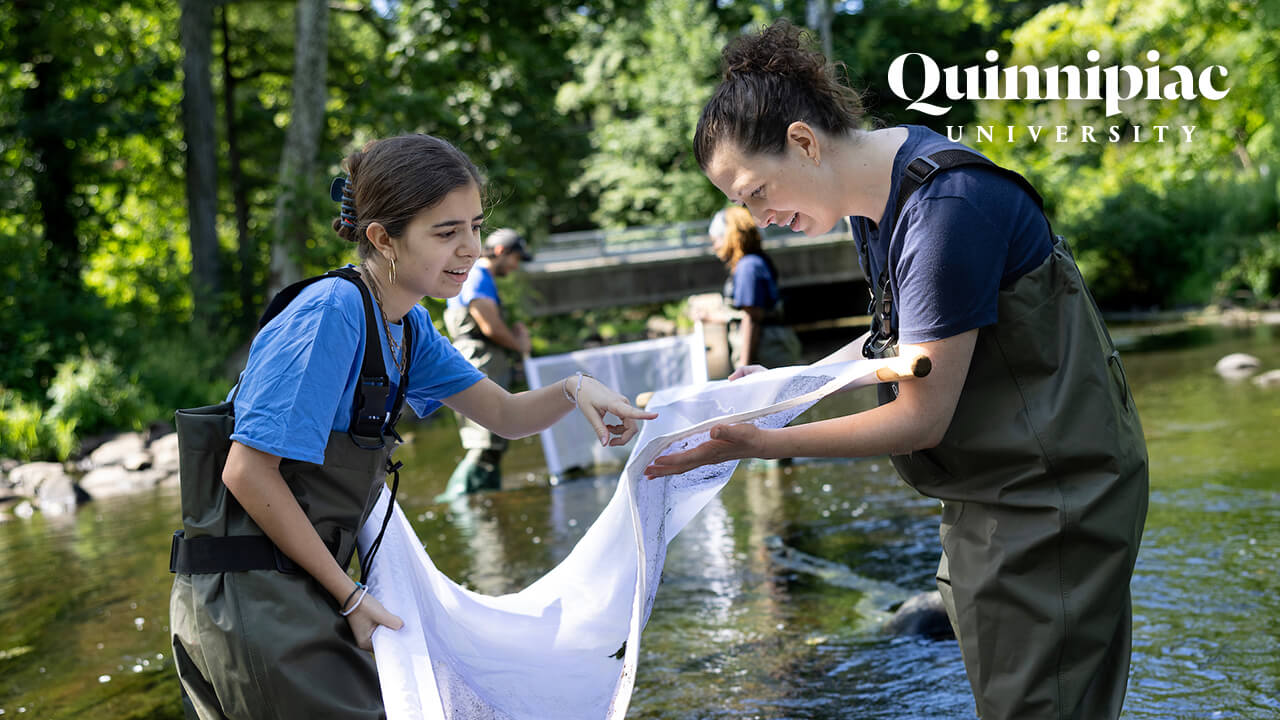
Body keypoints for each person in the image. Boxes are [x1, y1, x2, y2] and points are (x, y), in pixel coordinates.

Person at [645, 21, 1148, 720]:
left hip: (1051, 497)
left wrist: (760, 441)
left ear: (803, 141)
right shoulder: (876, 198)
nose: (757, 215)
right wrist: (776, 394)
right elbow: (898, 342)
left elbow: (920, 415)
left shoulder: (946, 208)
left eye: (755, 191)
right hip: (995, 490)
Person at [169, 133, 655, 720]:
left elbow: (504, 414)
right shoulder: (332, 312)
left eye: (475, 226)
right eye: (446, 233)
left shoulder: (408, 325)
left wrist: (577, 387)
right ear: (382, 238)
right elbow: (246, 472)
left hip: (302, 586)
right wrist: (352, 597)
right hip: (246, 598)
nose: (471, 248)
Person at [439, 228, 533, 499]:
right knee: (484, 439)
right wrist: (519, 345)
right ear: (501, 252)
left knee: (495, 436)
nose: (516, 266)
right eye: (516, 258)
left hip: (485, 360)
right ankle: (458, 498)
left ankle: (486, 497)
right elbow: (489, 325)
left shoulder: (480, 276)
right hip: (479, 360)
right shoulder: (477, 275)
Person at [708, 206, 803, 369]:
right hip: (778, 346)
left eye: (715, 240)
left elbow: (752, 317)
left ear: (729, 236)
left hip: (768, 352)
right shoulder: (756, 261)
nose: (714, 247)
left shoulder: (748, 267)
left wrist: (744, 366)